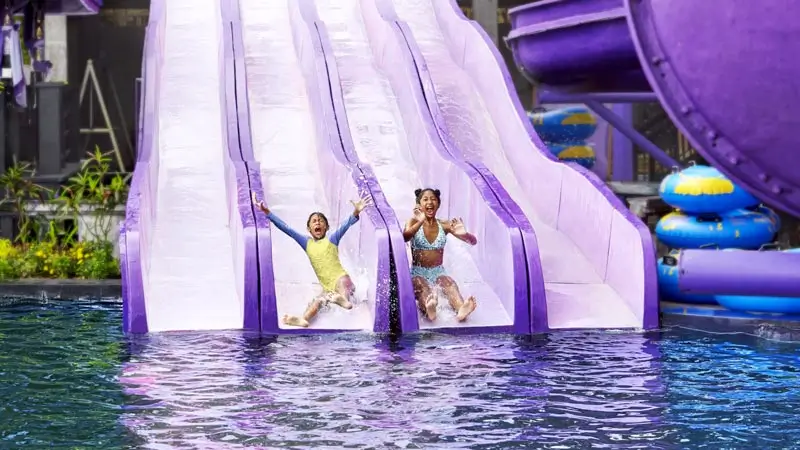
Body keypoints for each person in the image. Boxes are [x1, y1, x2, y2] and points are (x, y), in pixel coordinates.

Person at [251, 192, 373, 327]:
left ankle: (344, 300)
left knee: (343, 284)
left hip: (341, 279)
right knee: (318, 302)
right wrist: (266, 211)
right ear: (309, 229)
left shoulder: (332, 239)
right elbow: (286, 229)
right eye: (314, 221)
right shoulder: (307, 243)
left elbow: (345, 225)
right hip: (328, 288)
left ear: (326, 227)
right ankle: (304, 319)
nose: (318, 222)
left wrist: (356, 212)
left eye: (321, 221)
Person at [403, 188, 478, 322]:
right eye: (425, 199)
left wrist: (464, 234)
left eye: (433, 199)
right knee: (421, 286)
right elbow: (405, 237)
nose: (430, 202)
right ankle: (429, 309)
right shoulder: (413, 222)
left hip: (438, 271)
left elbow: (473, 242)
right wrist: (420, 221)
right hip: (417, 272)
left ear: (438, 204)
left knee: (449, 283)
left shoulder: (444, 225)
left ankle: (461, 309)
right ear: (419, 205)